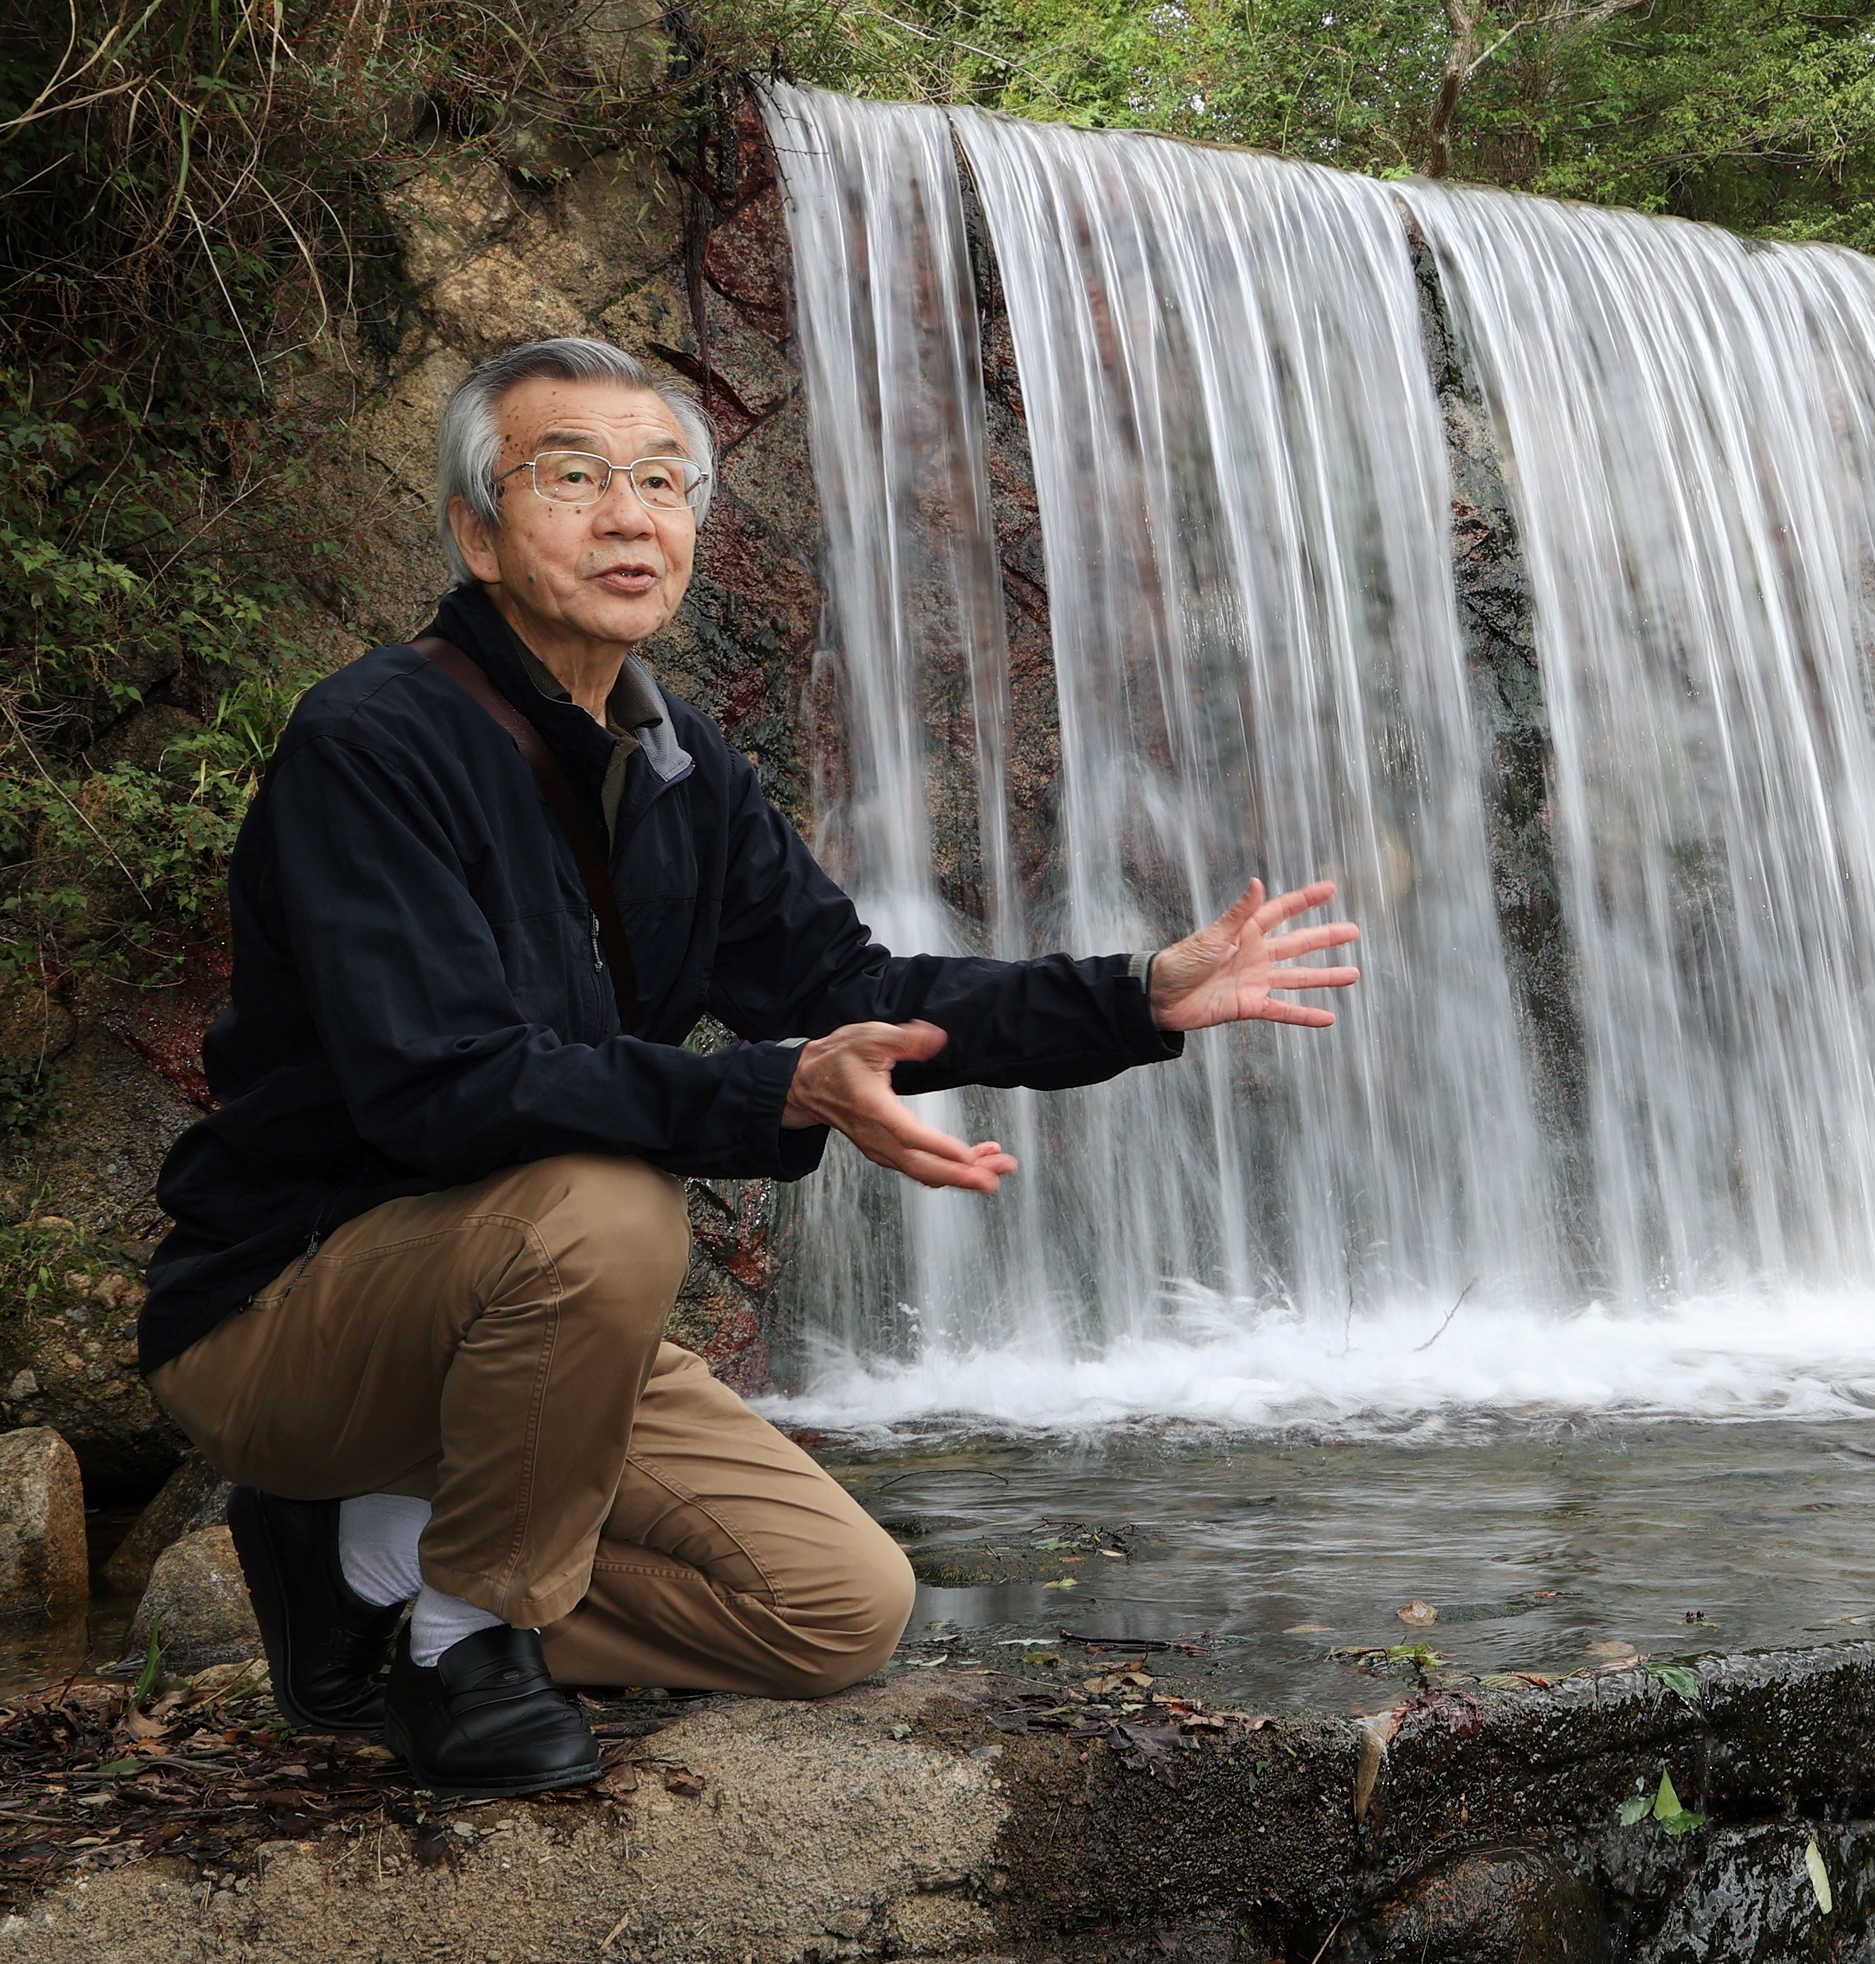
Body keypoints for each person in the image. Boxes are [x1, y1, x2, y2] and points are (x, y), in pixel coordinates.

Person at [135, 336, 1360, 1797]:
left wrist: (1138, 996)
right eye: (572, 477)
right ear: (478, 528)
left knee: (840, 1609)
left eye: (663, 481)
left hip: (522, 1317)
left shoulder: (679, 767)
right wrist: (771, 1088)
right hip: (290, 1311)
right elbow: (439, 1085)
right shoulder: (372, 741)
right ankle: (468, 1640)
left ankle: (368, 1559)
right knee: (612, 1205)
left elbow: (858, 990)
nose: (629, 515)